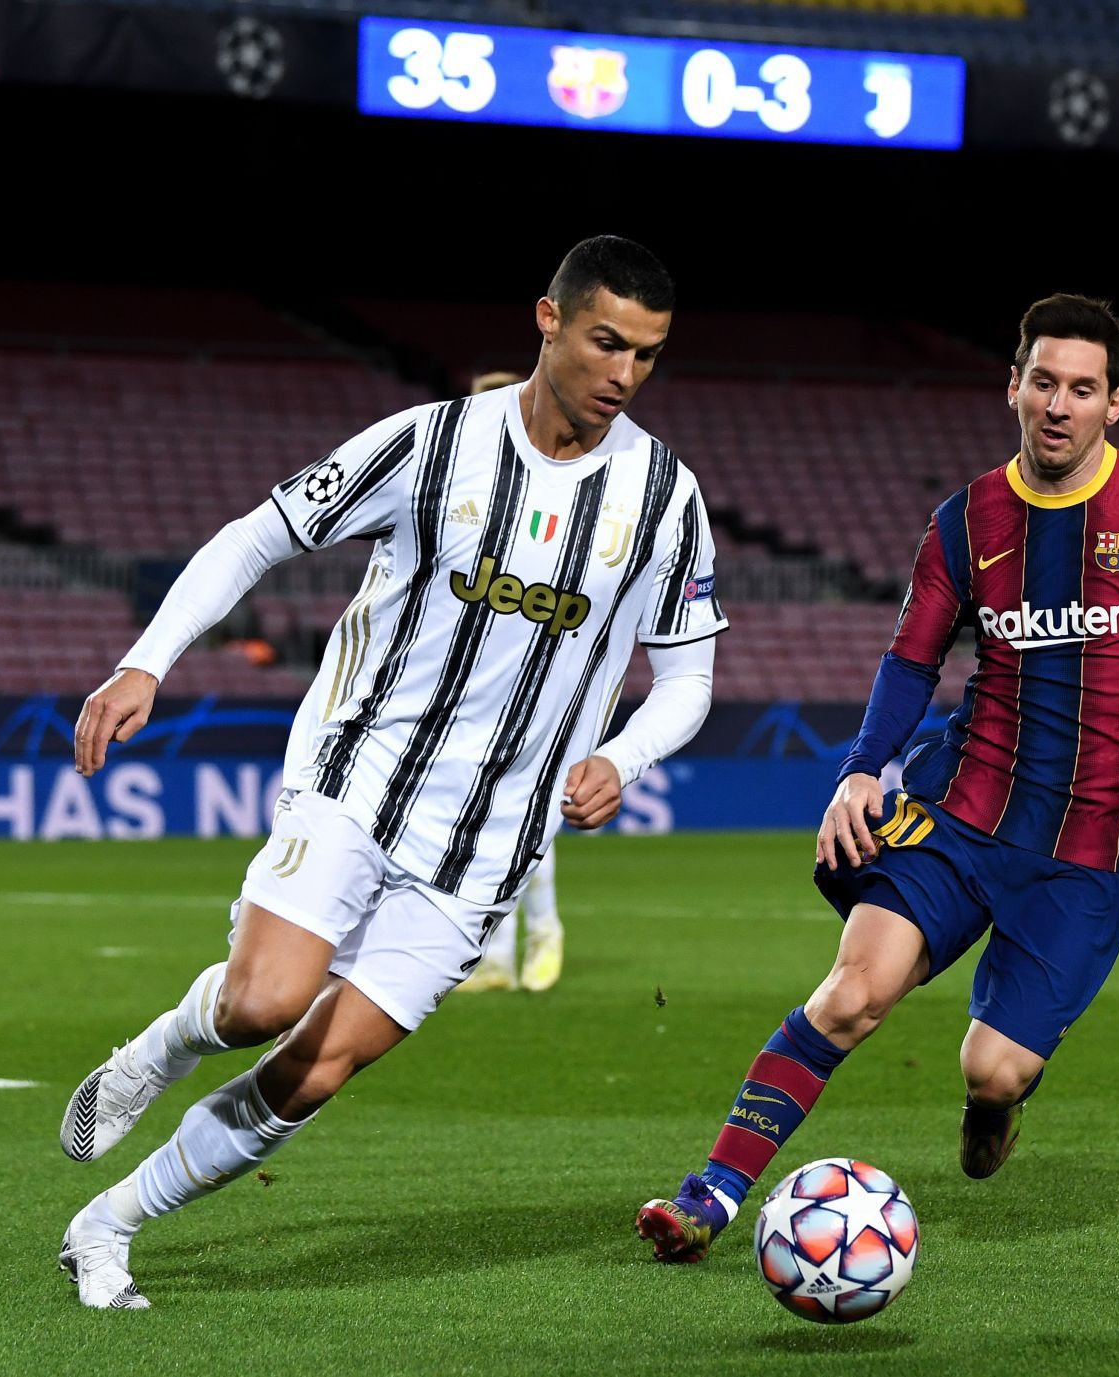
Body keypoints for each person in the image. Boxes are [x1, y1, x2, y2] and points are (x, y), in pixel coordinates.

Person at [57, 236, 728, 1308]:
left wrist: (622, 753)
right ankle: (168, 1041)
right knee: (264, 1003)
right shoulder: (431, 445)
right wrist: (146, 662)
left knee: (315, 1071)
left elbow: (689, 681)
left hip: (492, 842)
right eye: (607, 342)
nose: (623, 375)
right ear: (548, 322)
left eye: (647, 355)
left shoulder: (663, 497)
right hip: (360, 772)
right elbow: (258, 535)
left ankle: (108, 1223)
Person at [637, 294, 1119, 1263]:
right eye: (1044, 383)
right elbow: (912, 662)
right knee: (852, 993)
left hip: (1088, 845)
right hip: (964, 808)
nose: (1060, 404)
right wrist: (860, 773)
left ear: (1116, 402)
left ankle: (997, 1104)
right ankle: (710, 1195)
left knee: (994, 1067)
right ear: (1014, 386)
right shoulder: (966, 521)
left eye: (1083, 389)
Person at [452, 369, 565, 994]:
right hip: (473, 691)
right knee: (482, 826)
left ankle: (544, 934)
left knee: (527, 821)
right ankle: (492, 956)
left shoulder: (555, 492)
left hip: (537, 689)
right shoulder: (471, 485)